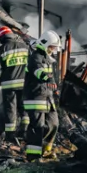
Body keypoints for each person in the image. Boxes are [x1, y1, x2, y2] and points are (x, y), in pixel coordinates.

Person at [23, 30, 61, 161]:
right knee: (37, 127)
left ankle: (46, 151)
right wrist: (48, 79)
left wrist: (55, 89)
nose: (53, 50)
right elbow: (39, 72)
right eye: (52, 47)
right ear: (45, 45)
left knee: (54, 123)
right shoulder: (35, 57)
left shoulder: (47, 59)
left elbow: (51, 77)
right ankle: (33, 156)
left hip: (47, 97)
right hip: (35, 97)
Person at [0, 26, 29, 141]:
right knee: (24, 108)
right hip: (25, 84)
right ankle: (24, 131)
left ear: (1, 38)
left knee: (10, 109)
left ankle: (10, 136)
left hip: (9, 85)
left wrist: (0, 80)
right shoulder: (25, 47)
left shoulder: (1, 50)